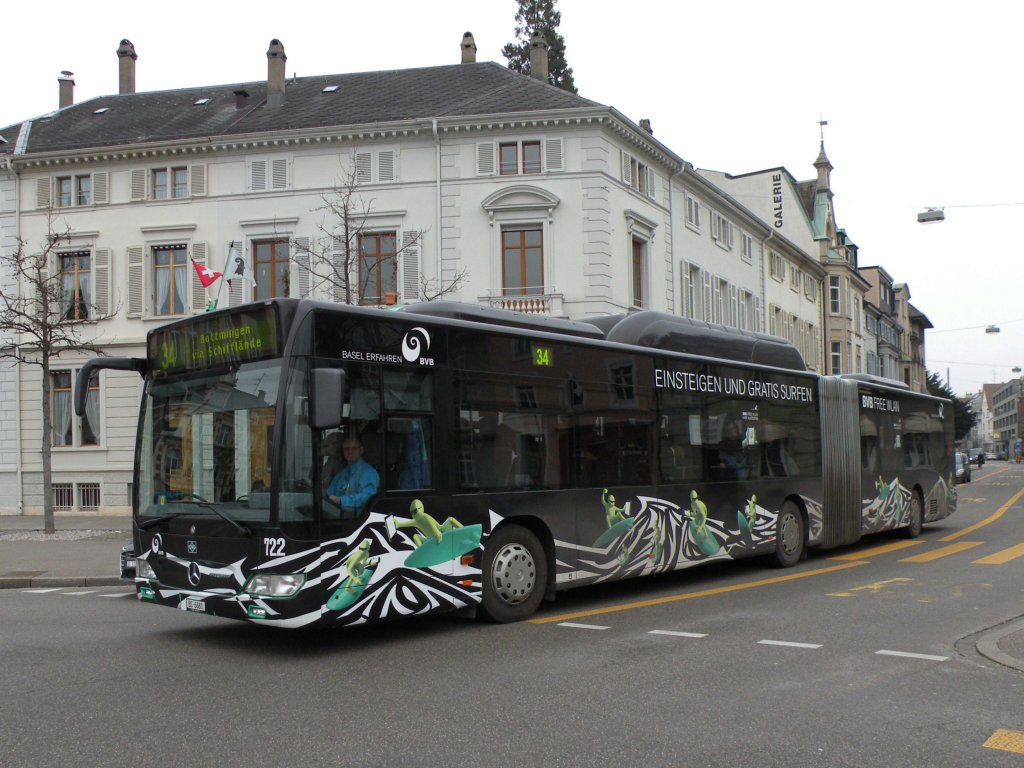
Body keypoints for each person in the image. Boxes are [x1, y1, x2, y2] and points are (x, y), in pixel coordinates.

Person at [326, 436, 380, 514]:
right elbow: (329, 494)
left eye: (354, 448)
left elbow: (367, 497)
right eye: (346, 449)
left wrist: (341, 500)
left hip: (358, 518)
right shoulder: (341, 473)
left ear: (361, 450)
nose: (350, 452)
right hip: (336, 515)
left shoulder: (369, 473)